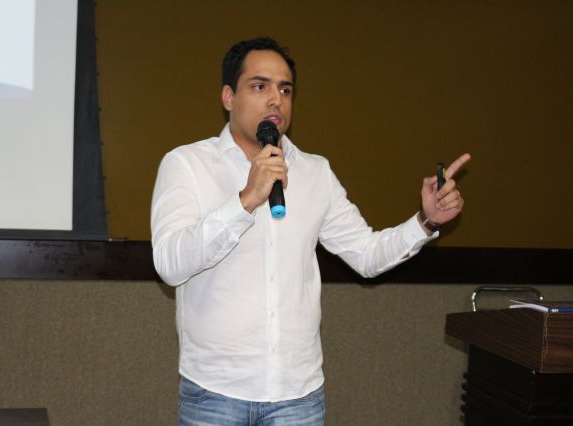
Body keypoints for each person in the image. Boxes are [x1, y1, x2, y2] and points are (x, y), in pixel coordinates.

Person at [151, 37, 470, 425]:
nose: (276, 100)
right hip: (214, 392)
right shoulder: (186, 165)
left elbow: (367, 255)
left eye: (285, 90)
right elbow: (170, 265)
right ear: (228, 97)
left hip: (297, 397)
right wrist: (245, 200)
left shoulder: (315, 172)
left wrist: (426, 221)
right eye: (260, 86)